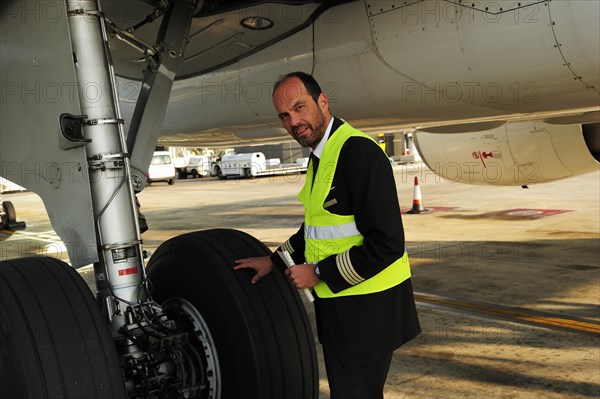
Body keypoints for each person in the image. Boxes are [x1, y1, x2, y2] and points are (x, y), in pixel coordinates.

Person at [234, 71, 420, 399]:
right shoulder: (322, 154)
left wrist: (318, 272)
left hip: (368, 314)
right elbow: (317, 229)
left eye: (299, 107)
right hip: (343, 311)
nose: (294, 121)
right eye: (285, 115)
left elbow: (387, 243)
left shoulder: (359, 153)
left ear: (322, 101)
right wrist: (275, 261)